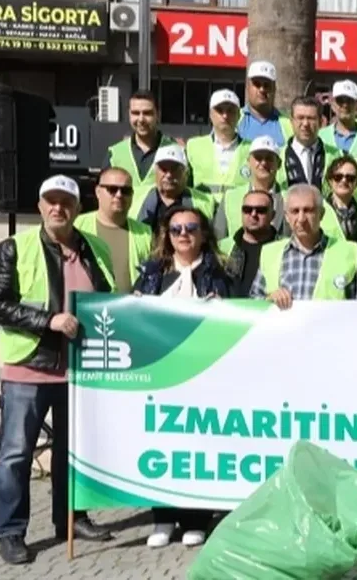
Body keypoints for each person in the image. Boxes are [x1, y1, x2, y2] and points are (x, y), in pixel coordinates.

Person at [0, 175, 115, 565]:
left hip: (78, 371)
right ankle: (11, 532)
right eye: (51, 201)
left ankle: (71, 519)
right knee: (15, 455)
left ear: (78, 207)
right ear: (40, 206)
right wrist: (48, 320)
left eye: (66, 201)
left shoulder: (93, 248)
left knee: (72, 454)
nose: (58, 208)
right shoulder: (14, 248)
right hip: (29, 369)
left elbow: (105, 296)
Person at [133, 206, 229, 548]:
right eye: (176, 229)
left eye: (191, 228)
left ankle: (196, 519)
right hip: (162, 375)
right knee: (162, 446)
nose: (184, 234)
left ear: (203, 233)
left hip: (204, 375)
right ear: (166, 235)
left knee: (199, 449)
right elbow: (134, 314)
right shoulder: (151, 272)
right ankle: (162, 517)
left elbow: (236, 315)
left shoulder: (219, 272)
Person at [249, 184, 357, 305]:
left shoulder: (348, 253)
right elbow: (254, 301)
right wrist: (269, 298)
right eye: (295, 211)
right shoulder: (270, 253)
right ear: (286, 216)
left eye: (308, 210)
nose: (301, 218)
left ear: (321, 214)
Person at [75, 166, 153, 292]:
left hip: (131, 308)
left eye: (125, 191)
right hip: (89, 308)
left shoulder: (146, 233)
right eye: (112, 189)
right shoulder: (77, 226)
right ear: (98, 192)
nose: (119, 195)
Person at [214, 136, 287, 239]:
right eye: (258, 158)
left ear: (279, 164)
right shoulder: (231, 197)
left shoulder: (290, 198)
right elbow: (219, 238)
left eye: (269, 158)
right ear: (248, 162)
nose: (263, 163)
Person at [185, 89, 250, 202]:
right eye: (219, 111)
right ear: (210, 114)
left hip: (237, 213)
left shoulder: (252, 148)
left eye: (230, 111)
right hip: (202, 212)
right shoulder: (193, 146)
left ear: (239, 115)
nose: (225, 116)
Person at [104, 89, 178, 190]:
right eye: (135, 113)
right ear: (129, 115)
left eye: (147, 113)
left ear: (158, 115)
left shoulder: (176, 151)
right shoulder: (114, 154)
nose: (141, 119)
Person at [131, 145, 216, 231]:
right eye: (163, 169)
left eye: (174, 169)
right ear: (155, 171)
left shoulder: (206, 202)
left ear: (186, 173)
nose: (169, 175)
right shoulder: (134, 197)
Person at [220, 190, 280, 298]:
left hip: (268, 312)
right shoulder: (223, 247)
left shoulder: (284, 248)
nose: (253, 214)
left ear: (273, 215)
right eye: (247, 209)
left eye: (261, 210)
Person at [237, 60, 294, 146]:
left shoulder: (288, 124)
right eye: (257, 84)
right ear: (247, 87)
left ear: (274, 89)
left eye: (266, 85)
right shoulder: (235, 119)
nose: (262, 90)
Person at [318, 80, 357, 161]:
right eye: (340, 101)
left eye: (349, 101)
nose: (345, 105)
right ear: (333, 105)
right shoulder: (320, 136)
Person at [280, 96, 327, 190]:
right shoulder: (278, 156)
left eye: (311, 118)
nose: (305, 124)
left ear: (321, 122)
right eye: (300, 118)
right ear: (291, 121)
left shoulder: (336, 155)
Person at [322, 155, 357, 243]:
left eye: (350, 178)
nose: (344, 181)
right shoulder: (319, 210)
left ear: (356, 182)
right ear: (330, 180)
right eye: (338, 177)